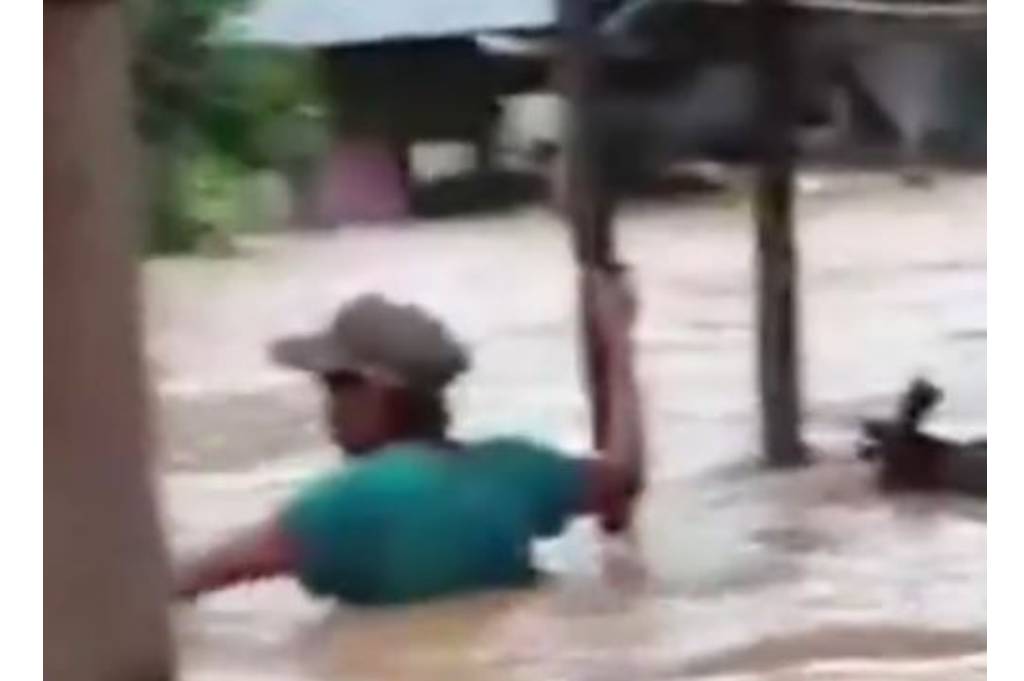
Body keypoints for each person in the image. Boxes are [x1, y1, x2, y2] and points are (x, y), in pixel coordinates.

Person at [174, 268, 645, 604]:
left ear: (376, 395)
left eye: (336, 385)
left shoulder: (337, 507)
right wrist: (617, 341)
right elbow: (623, 474)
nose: (329, 407)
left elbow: (180, 585)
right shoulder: (513, 472)